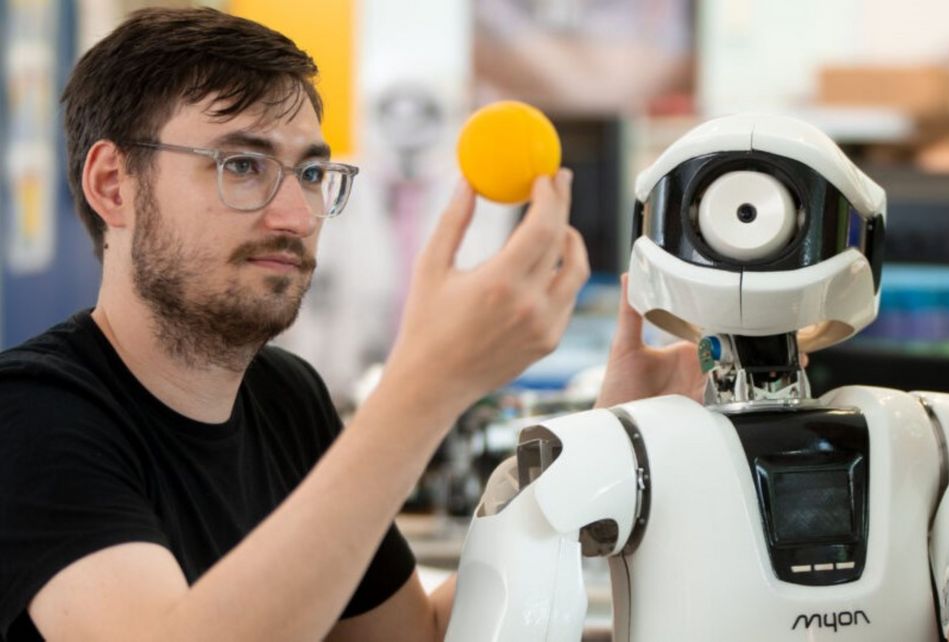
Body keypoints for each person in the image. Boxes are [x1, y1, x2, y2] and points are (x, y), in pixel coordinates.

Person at [0, 6, 694, 642]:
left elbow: (411, 638)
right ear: (112, 186)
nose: (296, 217)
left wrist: (606, 439)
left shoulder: (285, 397)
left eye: (309, 173)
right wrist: (429, 379)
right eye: (241, 165)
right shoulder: (31, 414)